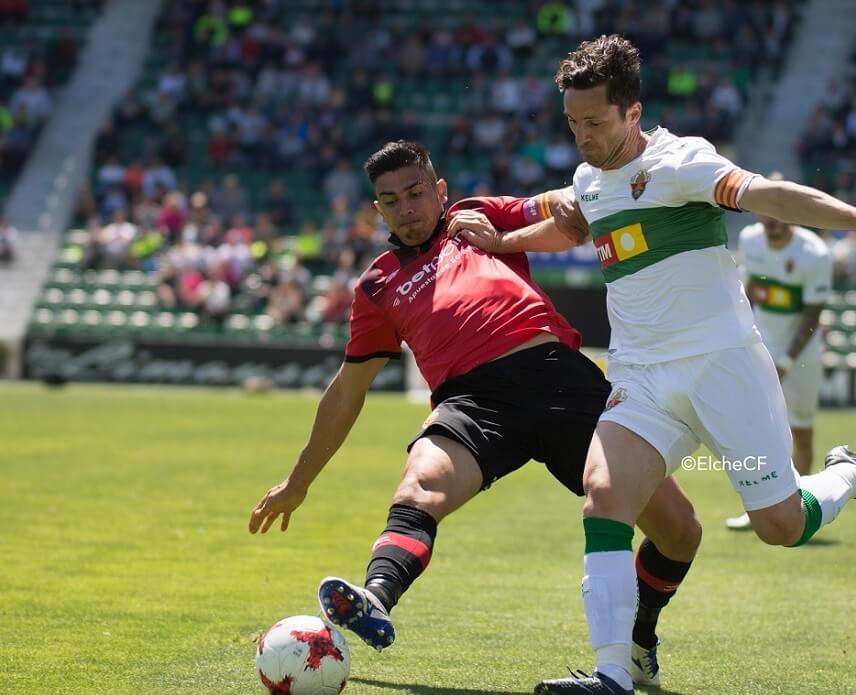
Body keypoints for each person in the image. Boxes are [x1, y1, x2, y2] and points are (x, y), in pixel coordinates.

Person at [450, 35, 856, 694]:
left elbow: (768, 195)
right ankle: (614, 671)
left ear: (630, 111)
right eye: (572, 123)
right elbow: (578, 225)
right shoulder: (591, 179)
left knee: (779, 526)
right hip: (642, 376)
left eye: (594, 122)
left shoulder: (681, 163)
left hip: (722, 364)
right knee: (604, 498)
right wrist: (504, 240)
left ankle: (845, 472)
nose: (582, 136)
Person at [248, 141, 702, 687]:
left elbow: (567, 207)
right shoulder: (377, 284)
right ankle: (376, 597)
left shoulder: (480, 215)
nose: (407, 208)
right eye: (391, 201)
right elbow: (348, 389)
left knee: (679, 532)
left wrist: (581, 199)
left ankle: (637, 641)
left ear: (439, 191)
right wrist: (298, 482)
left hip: (559, 378)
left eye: (416, 193)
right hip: (473, 401)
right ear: (378, 210)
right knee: (420, 485)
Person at [725, 171, 834, 531]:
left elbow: (812, 313)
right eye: (763, 209)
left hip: (801, 355)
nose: (769, 218)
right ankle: (757, 507)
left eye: (777, 209)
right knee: (757, 428)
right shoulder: (751, 241)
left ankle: (799, 510)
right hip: (763, 346)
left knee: (801, 432)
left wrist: (788, 358)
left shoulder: (814, 253)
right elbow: (751, 289)